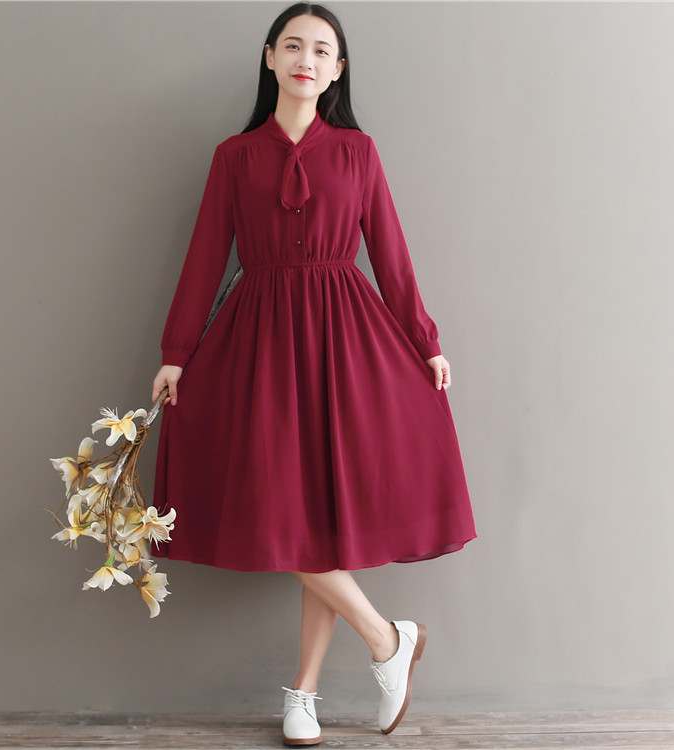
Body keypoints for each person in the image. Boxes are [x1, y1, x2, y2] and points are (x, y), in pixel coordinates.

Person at [151, 2, 477, 745]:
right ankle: (387, 640)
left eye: (322, 49)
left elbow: (390, 253)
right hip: (258, 343)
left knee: (321, 518)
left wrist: (425, 340)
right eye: (293, 45)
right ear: (269, 57)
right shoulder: (234, 157)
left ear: (337, 69)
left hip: (343, 339)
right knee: (281, 510)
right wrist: (176, 352)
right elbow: (205, 257)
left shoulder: (358, 152)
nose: (306, 58)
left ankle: (303, 695)